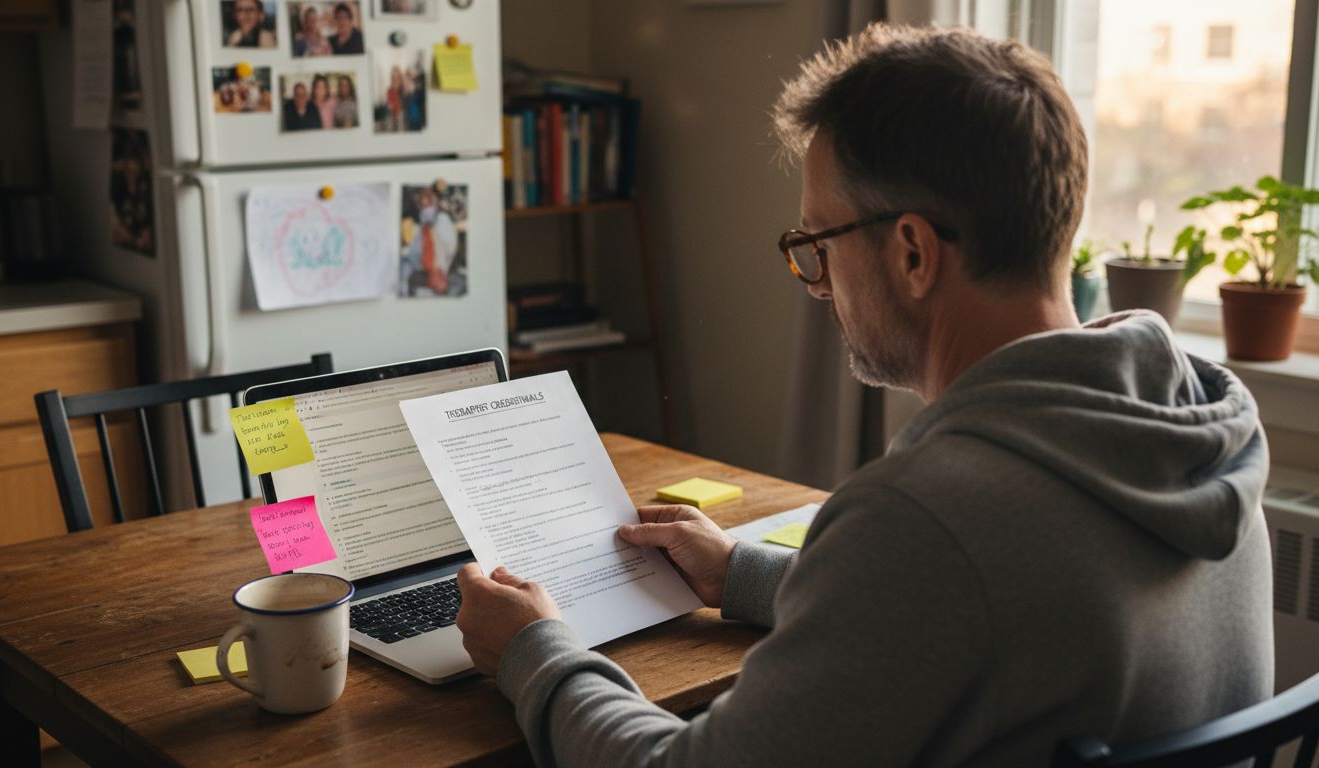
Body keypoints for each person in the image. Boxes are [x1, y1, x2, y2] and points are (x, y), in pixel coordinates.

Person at [452, 22, 1275, 767]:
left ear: (913, 253)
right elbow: (957, 614)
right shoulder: (1195, 424)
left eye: (818, 243)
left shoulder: (928, 519)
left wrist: (536, 651)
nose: (817, 285)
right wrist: (739, 571)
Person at [400, 185, 456, 295]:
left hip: (434, 271)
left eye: (429, 202)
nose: (424, 205)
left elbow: (448, 249)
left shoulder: (443, 221)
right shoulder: (418, 225)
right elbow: (409, 256)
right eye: (422, 204)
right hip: (418, 272)